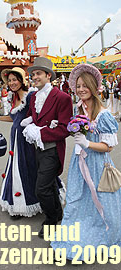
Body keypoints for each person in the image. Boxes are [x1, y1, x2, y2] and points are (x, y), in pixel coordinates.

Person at [51, 64, 121, 261]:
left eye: (85, 86)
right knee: (75, 198)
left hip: (97, 165)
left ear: (93, 87)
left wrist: (87, 142)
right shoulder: (79, 108)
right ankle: (75, 236)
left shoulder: (104, 114)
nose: (81, 89)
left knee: (101, 201)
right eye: (78, 86)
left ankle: (104, 235)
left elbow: (108, 146)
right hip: (78, 162)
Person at [22, 57, 73, 237]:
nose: (34, 77)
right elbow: (32, 115)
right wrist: (28, 122)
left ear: (48, 75)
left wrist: (40, 133)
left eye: (38, 74)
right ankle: (57, 212)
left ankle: (51, 220)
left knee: (41, 189)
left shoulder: (62, 97)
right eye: (33, 74)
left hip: (52, 149)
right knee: (49, 184)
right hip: (38, 148)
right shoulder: (34, 96)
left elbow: (65, 128)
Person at [0, 67, 42, 219]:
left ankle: (32, 201)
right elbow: (13, 117)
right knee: (15, 168)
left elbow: (38, 116)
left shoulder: (31, 96)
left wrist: (31, 124)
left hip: (26, 138)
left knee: (28, 167)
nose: (12, 83)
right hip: (15, 139)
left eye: (14, 79)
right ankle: (18, 203)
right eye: (9, 80)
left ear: (21, 80)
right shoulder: (13, 97)